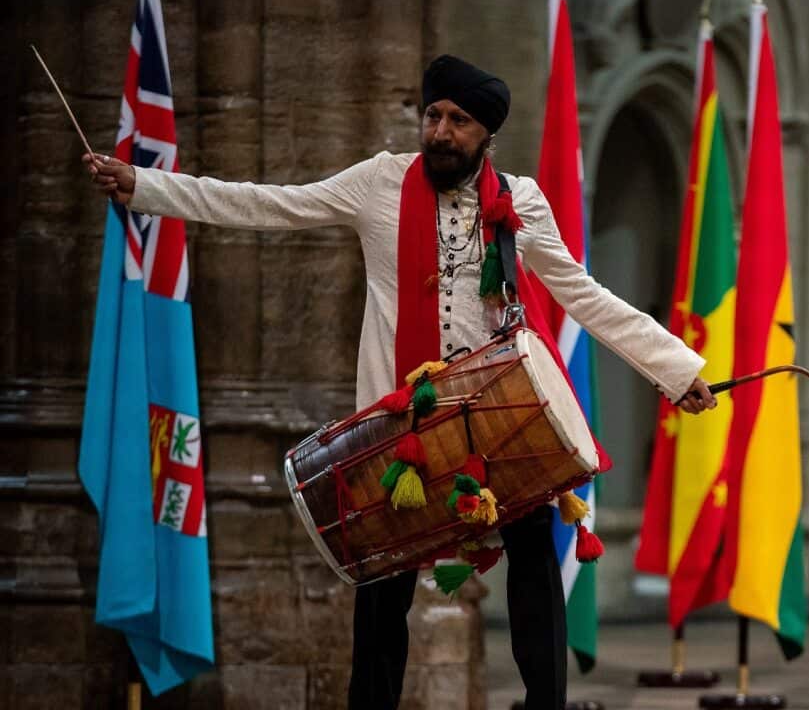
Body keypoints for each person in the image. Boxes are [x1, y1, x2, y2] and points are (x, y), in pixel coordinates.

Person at [85, 54, 717, 710]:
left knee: (534, 566)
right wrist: (145, 188)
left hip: (495, 420)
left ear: (487, 135)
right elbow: (269, 203)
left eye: (459, 121)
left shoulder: (519, 202)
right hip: (400, 429)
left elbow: (583, 296)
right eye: (434, 115)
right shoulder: (378, 183)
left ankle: (545, 703)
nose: (441, 132)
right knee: (381, 591)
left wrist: (676, 369)